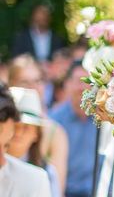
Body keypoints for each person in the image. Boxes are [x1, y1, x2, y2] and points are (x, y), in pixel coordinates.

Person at [8, 53, 69, 195]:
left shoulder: (56, 132)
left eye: (38, 81)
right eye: (25, 82)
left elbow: (55, 190)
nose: (33, 87)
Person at [50, 60, 98, 197]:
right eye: (78, 81)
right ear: (67, 84)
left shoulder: (106, 121)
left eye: (88, 82)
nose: (82, 87)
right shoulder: (55, 120)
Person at [7, 86, 61, 197]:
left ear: (36, 134)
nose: (18, 133)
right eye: (15, 126)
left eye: (26, 127)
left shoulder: (47, 173)